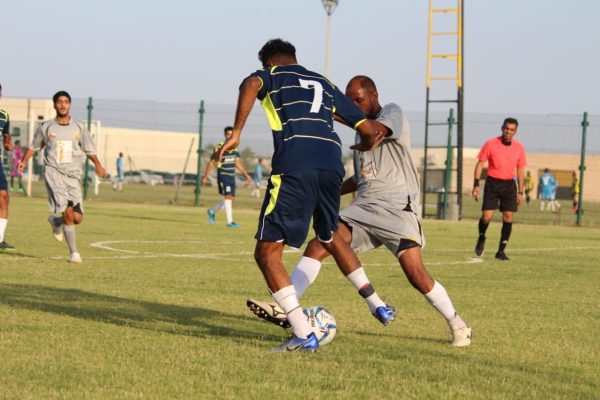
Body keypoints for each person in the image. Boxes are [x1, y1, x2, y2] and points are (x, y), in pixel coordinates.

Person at [247, 76, 471, 347]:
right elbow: (361, 178)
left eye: (358, 100)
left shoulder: (392, 113)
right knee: (321, 242)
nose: (354, 105)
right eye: (349, 101)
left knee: (416, 274)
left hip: (396, 209)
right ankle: (286, 306)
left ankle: (458, 324)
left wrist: (341, 116)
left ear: (374, 95)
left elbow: (375, 131)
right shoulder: (358, 133)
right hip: (363, 208)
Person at [214, 39, 385, 352]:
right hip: (331, 164)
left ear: (270, 62)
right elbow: (369, 129)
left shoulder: (272, 75)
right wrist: (364, 143)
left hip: (296, 161)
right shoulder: (323, 82)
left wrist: (236, 132)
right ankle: (377, 303)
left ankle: (303, 333)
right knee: (330, 236)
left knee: (267, 253)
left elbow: (250, 83)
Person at [18, 91, 106, 263]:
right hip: (53, 173)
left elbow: (89, 149)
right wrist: (23, 161)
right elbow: (33, 146)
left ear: (70, 104)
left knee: (77, 218)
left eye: (66, 102)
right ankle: (74, 253)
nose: (63, 105)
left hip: (73, 176)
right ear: (54, 105)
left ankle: (57, 222)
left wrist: (98, 164)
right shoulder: (46, 126)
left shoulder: (79, 126)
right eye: (59, 102)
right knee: (67, 210)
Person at [472, 117, 527, 261]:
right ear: (502, 128)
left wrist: (521, 192)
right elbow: (480, 164)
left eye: (512, 130)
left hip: (509, 185)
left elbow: (520, 170)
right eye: (506, 128)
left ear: (515, 131)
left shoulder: (519, 148)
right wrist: (476, 185)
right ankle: (482, 236)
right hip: (493, 183)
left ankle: (501, 251)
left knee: (508, 216)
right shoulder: (490, 144)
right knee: (486, 217)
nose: (508, 132)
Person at [201, 126, 252, 228]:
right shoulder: (220, 146)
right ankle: (230, 222)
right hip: (223, 175)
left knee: (230, 198)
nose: (230, 136)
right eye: (228, 134)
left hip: (232, 176)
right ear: (225, 135)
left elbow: (236, 162)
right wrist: (205, 176)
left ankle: (212, 211)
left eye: (231, 134)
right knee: (228, 197)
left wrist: (246, 175)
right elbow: (212, 162)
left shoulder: (235, 147)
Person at [0, 83, 15, 251]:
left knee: (3, 196)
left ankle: (0, 239)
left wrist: (8, 144)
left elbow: (6, 140)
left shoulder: (3, 116)